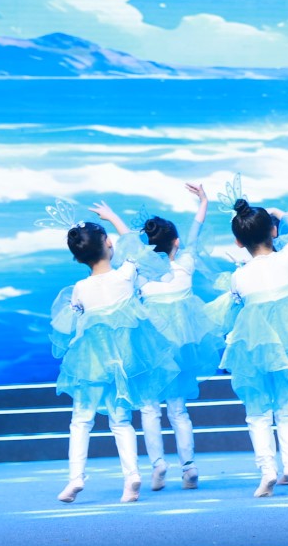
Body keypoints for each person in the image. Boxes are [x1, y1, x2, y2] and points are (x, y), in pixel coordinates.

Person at [48, 203, 179, 504]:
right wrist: (114, 218)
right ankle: (132, 476)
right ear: (108, 243)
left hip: (91, 363)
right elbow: (138, 249)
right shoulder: (126, 274)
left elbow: (73, 324)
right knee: (121, 419)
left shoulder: (80, 288)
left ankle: (75, 478)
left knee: (81, 419)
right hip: (124, 359)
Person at [205, 196, 288, 497]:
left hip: (254, 347)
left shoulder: (238, 276)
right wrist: (280, 215)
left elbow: (235, 310)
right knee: (287, 408)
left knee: (257, 411)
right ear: (274, 231)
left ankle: (267, 472)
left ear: (238, 242)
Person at [90, 187, 214, 491]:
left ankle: (158, 465)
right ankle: (189, 466)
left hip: (150, 348)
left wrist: (113, 217)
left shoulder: (142, 272)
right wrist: (203, 202)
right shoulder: (186, 263)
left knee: (149, 408)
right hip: (181, 347)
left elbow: (130, 243)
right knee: (178, 410)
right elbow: (195, 233)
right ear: (176, 242)